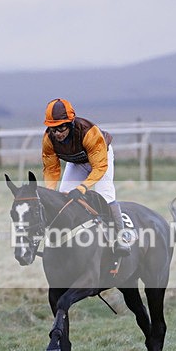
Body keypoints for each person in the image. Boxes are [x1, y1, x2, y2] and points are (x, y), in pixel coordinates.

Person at [41, 98, 132, 256]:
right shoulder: (49, 139)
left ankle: (121, 238)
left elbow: (99, 167)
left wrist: (82, 188)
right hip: (76, 162)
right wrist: (50, 191)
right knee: (63, 197)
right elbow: (51, 168)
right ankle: (66, 240)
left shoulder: (89, 132)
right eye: (53, 128)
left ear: (70, 123)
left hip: (101, 160)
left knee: (105, 195)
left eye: (61, 127)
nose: (57, 133)